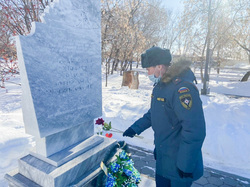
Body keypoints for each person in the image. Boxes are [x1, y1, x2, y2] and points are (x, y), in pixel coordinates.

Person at [123, 46, 206, 187]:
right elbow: (153, 114)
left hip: (180, 165)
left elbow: (194, 130)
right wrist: (134, 128)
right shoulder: (161, 86)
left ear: (159, 67)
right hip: (164, 159)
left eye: (148, 69)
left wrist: (185, 166)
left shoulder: (182, 89)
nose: (147, 73)